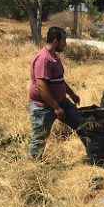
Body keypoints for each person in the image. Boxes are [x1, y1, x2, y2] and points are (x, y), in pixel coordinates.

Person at [27, 26, 82, 159]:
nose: (66, 44)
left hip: (62, 102)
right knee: (40, 138)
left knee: (82, 124)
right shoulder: (44, 58)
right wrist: (56, 108)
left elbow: (59, 80)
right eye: (64, 41)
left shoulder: (54, 56)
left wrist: (72, 94)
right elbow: (41, 85)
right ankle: (34, 166)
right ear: (56, 41)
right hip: (43, 107)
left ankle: (95, 154)